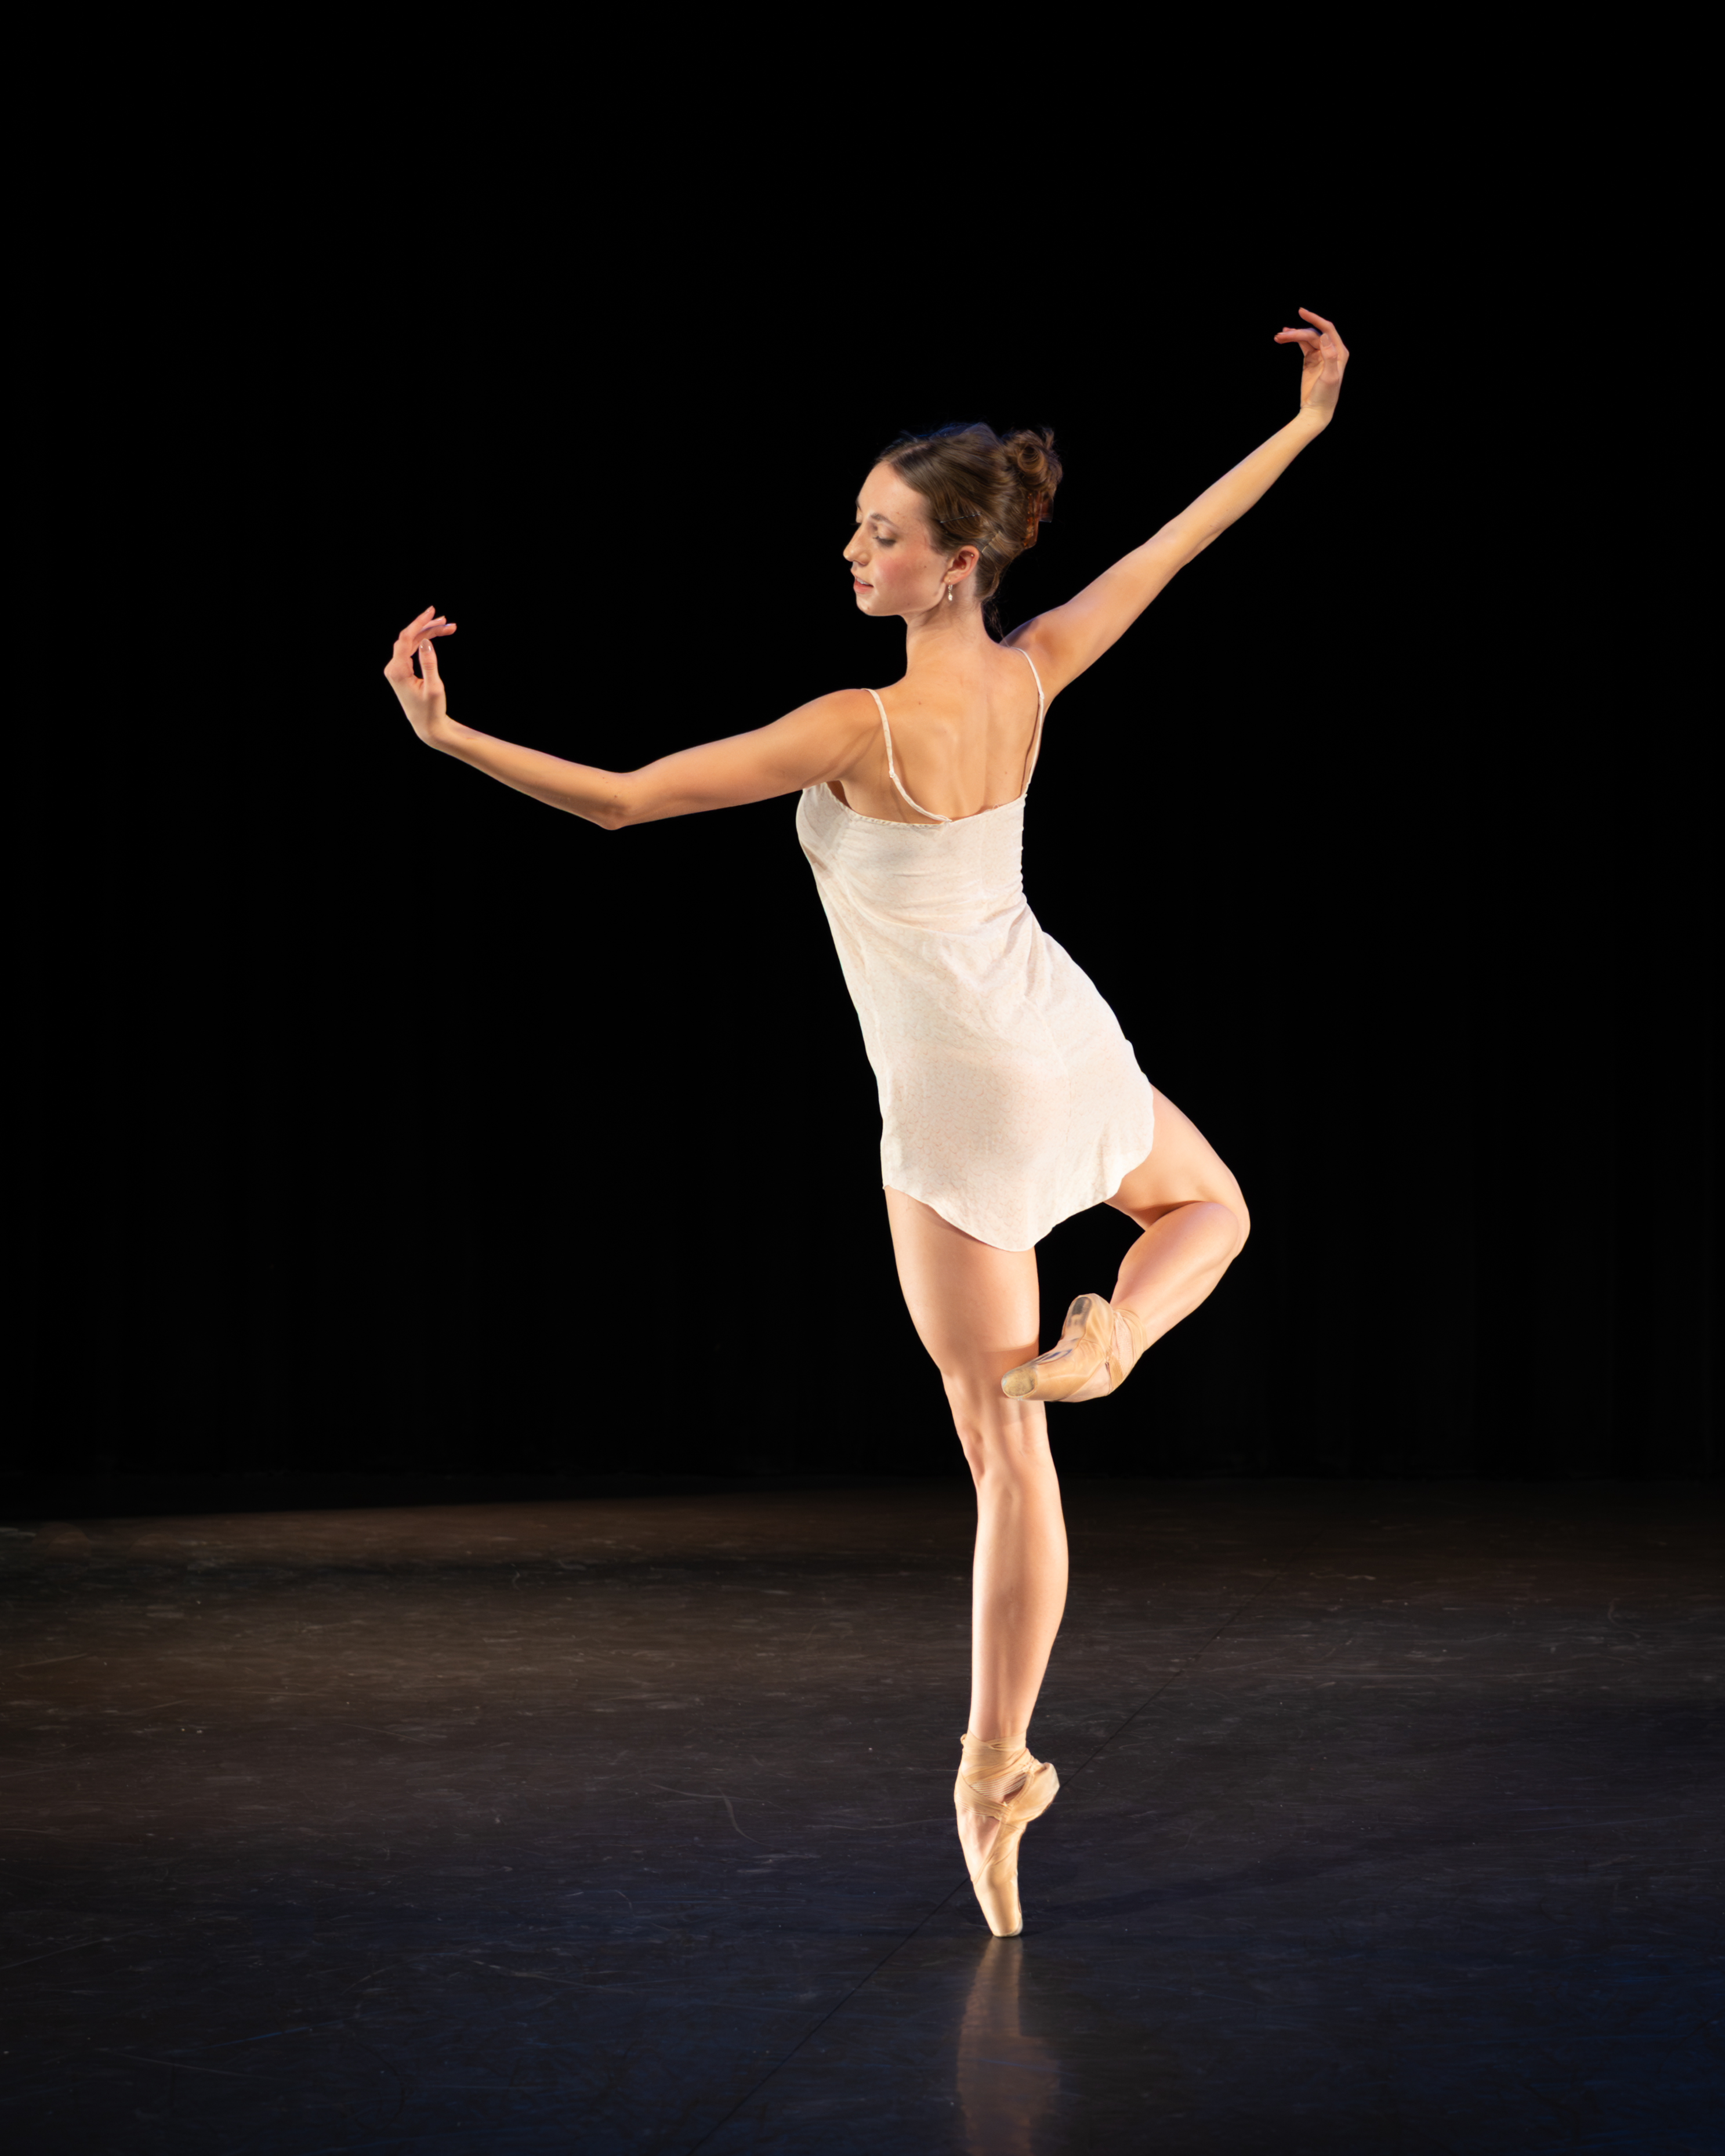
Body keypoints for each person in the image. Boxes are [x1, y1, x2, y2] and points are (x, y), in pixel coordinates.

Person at [383, 307, 1350, 1937]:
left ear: (955, 564)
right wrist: (1307, 424)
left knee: (1004, 1453)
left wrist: (446, 734)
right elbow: (1181, 546)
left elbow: (625, 800)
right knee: (1211, 1211)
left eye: (881, 535)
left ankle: (993, 1772)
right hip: (1061, 1036)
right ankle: (1117, 1349)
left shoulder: (859, 726)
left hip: (961, 1105)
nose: (853, 551)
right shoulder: (1038, 673)